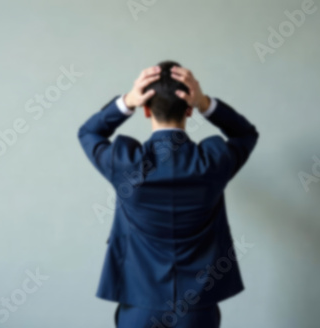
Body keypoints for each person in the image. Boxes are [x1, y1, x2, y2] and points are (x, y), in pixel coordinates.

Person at [78, 61, 259, 328]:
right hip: (197, 310)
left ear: (146, 110)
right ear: (189, 109)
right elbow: (245, 133)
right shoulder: (213, 162)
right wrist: (206, 103)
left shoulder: (125, 164)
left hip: (139, 308)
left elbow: (89, 132)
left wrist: (127, 101)